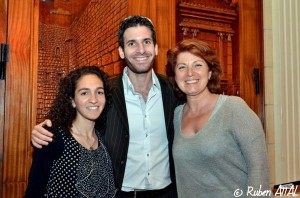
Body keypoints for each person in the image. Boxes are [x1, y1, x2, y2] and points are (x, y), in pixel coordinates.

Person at [31, 16, 179, 198]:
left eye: (146, 42)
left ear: (155, 48)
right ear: (121, 51)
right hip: (121, 194)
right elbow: (76, 118)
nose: (141, 50)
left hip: (168, 193)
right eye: (132, 43)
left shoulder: (173, 91)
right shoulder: (106, 92)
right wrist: (42, 131)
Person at [166, 38, 271, 198]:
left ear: (209, 72)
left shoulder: (234, 108)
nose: (190, 73)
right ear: (175, 76)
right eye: (182, 67)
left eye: (198, 65)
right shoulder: (175, 116)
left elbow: (259, 170)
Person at [24, 66, 116, 197]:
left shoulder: (104, 138)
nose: (94, 99)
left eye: (99, 92)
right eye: (84, 92)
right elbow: (34, 191)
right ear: (72, 100)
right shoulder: (52, 137)